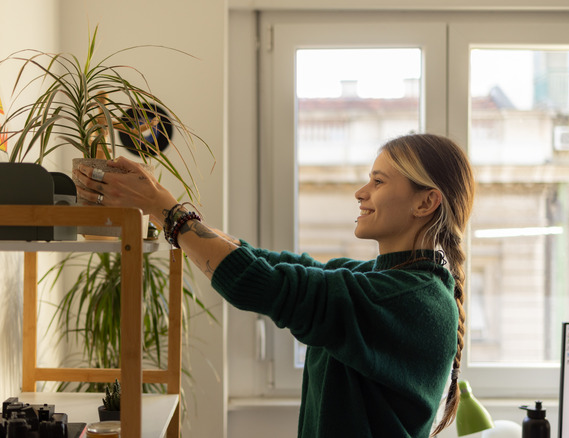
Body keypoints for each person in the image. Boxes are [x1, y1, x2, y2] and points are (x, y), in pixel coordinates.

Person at [73, 133, 475, 438]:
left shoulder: (411, 299)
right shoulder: (379, 280)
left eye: (379, 182)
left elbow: (260, 282)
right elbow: (270, 264)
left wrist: (163, 208)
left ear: (426, 203)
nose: (361, 192)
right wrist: (164, 209)